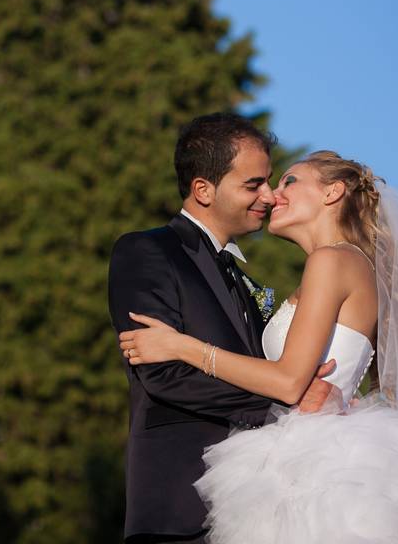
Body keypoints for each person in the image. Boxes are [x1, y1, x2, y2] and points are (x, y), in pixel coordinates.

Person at [118, 149, 398, 543]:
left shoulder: (331, 261)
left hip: (318, 468)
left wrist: (182, 345)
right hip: (318, 446)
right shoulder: (346, 265)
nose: (273, 195)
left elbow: (288, 382)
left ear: (332, 192)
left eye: (289, 181)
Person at [107, 114, 339, 543]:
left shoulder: (244, 278)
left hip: (256, 510)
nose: (269, 197)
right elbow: (163, 375)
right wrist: (285, 397)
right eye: (254, 185)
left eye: (268, 182)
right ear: (203, 190)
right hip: (181, 507)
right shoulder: (147, 251)